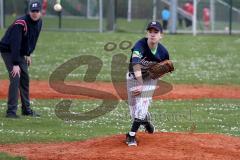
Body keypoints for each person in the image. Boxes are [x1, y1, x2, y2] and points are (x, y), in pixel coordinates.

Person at [125, 21, 170, 146]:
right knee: (134, 112)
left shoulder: (163, 52)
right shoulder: (140, 45)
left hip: (150, 79)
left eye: (156, 32)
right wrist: (139, 83)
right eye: (150, 31)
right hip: (134, 77)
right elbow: (135, 64)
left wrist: (159, 75)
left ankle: (131, 135)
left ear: (161, 35)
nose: (153, 34)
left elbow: (165, 68)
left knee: (143, 105)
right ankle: (147, 123)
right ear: (147, 33)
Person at [0, 1, 42, 118]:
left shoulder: (39, 22)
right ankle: (11, 112)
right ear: (29, 12)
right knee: (15, 77)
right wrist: (15, 64)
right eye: (33, 11)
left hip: (19, 52)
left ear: (40, 12)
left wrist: (28, 54)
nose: (35, 13)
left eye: (37, 11)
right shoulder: (21, 23)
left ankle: (26, 110)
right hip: (8, 50)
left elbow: (32, 39)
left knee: (25, 78)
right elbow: (15, 43)